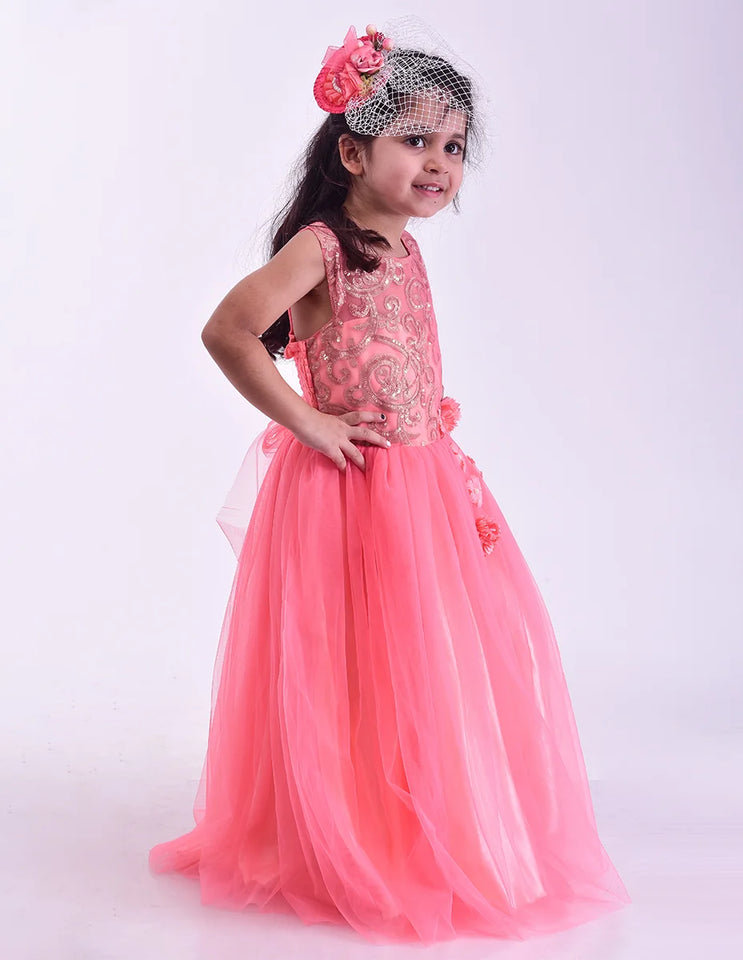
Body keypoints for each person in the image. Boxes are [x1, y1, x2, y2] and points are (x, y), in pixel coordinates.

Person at [148, 18, 631, 945]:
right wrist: (308, 419)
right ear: (353, 150)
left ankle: (405, 816)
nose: (439, 163)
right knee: (347, 659)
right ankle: (341, 830)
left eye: (454, 147)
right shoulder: (323, 248)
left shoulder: (405, 250)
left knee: (419, 656)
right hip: (345, 493)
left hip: (420, 488)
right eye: (416, 139)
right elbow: (227, 330)